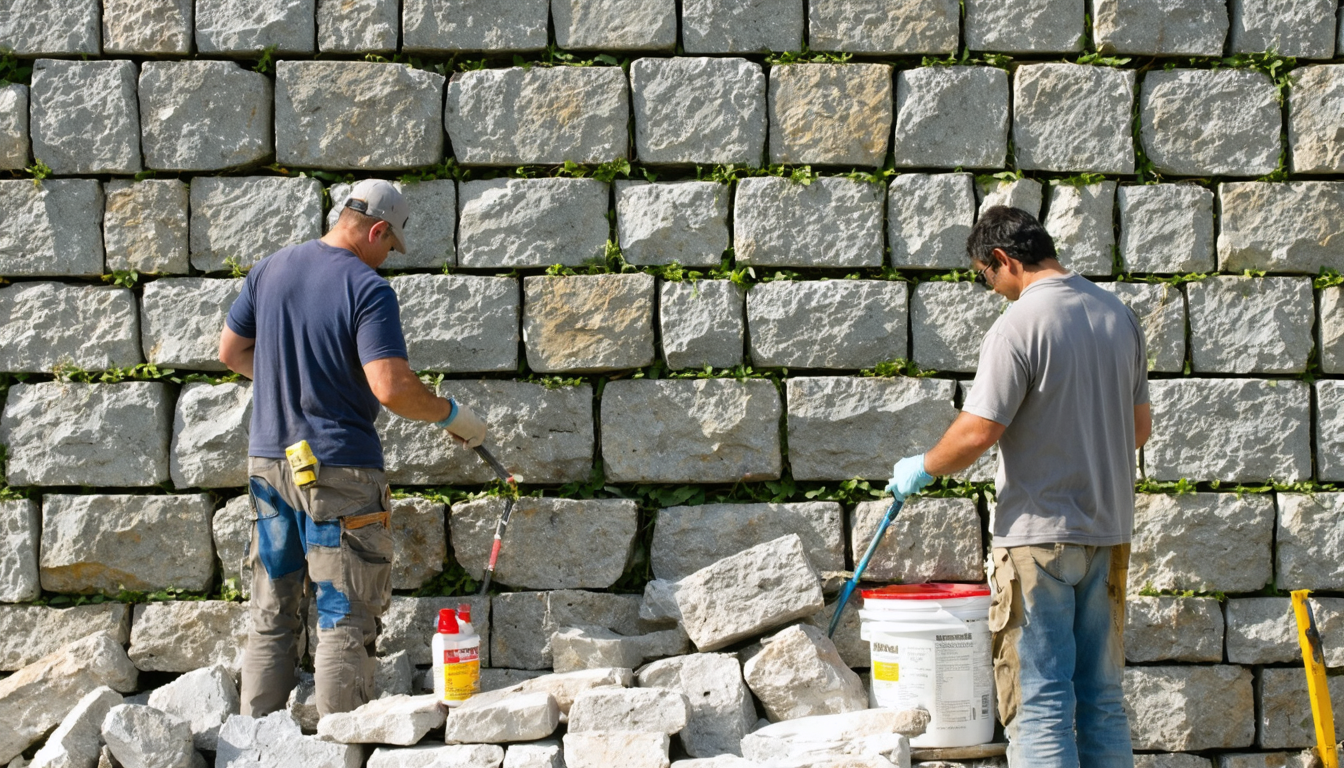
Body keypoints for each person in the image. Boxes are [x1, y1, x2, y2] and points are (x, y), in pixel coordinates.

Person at [886, 206, 1151, 768]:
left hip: (1037, 539)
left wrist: (923, 466)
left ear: (1003, 259)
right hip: (1108, 534)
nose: (991, 288)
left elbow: (978, 431)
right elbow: (1139, 430)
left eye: (986, 276)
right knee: (1103, 698)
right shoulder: (1118, 316)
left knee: (1039, 700)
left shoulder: (1018, 325)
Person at [219, 179, 488, 718]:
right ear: (377, 229)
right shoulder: (367, 288)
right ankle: (340, 745)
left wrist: (292, 385)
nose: (387, 259)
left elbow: (231, 352)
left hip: (270, 465)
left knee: (272, 611)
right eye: (389, 246)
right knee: (344, 613)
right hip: (339, 471)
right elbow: (391, 387)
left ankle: (252, 743)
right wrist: (452, 416)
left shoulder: (269, 271)